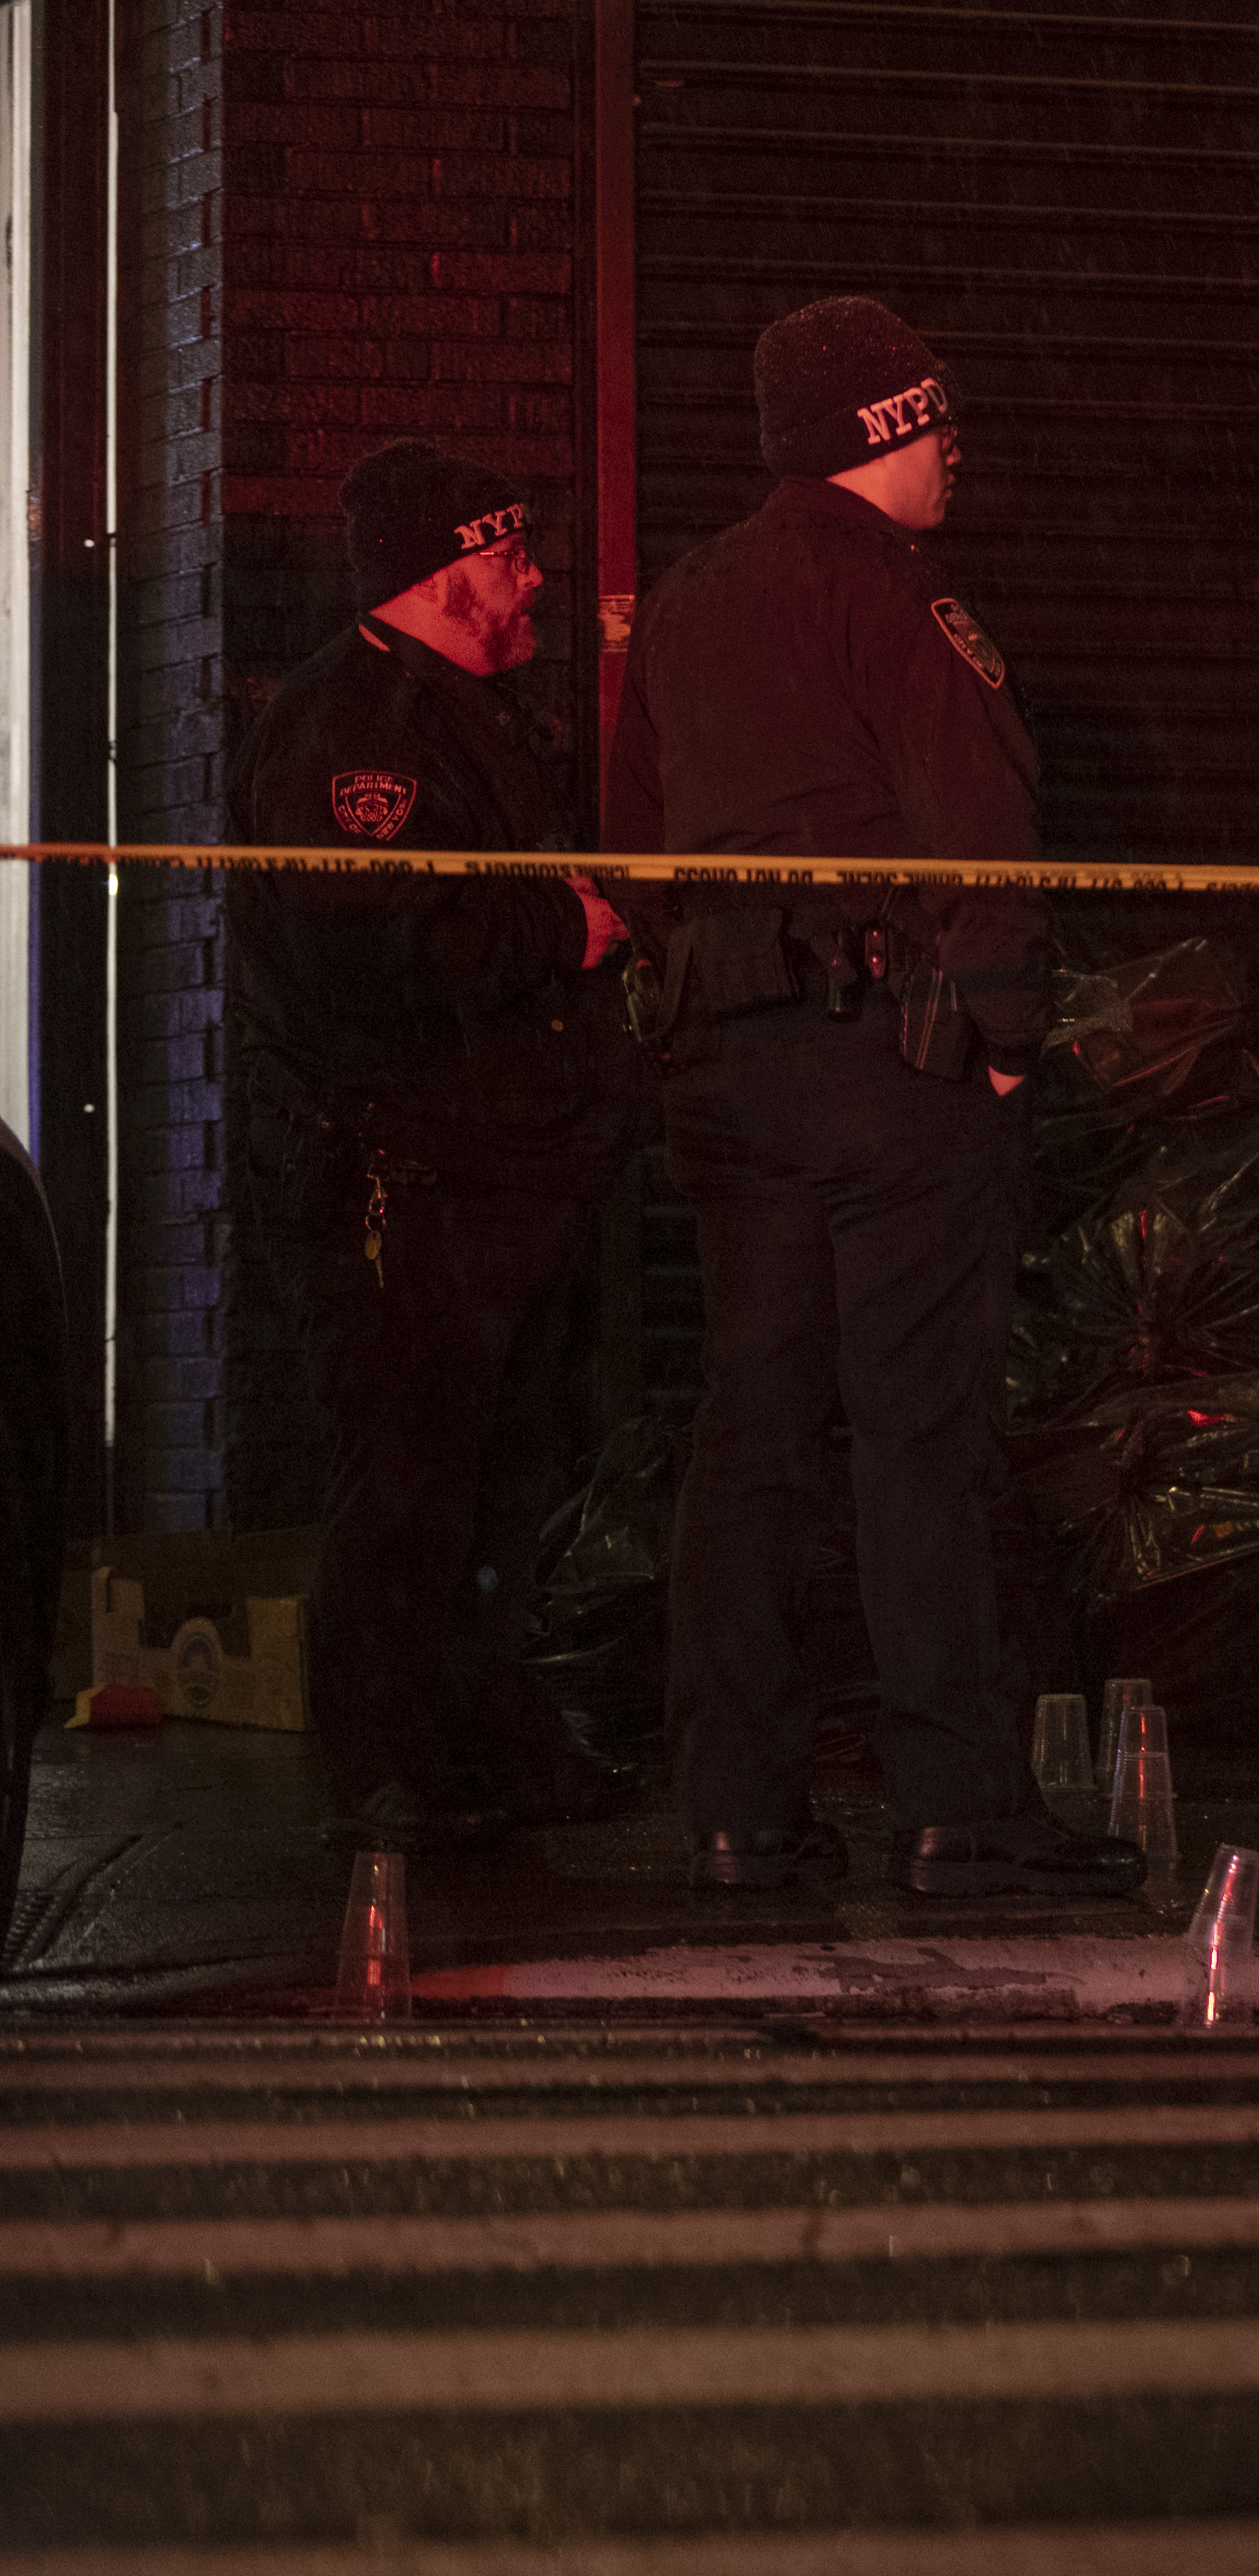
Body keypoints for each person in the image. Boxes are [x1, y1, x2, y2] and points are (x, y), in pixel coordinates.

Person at [602, 296, 1136, 1898]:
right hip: (892, 1070)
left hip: (728, 1070)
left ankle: (736, 1808)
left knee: (748, 1433)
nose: (956, 447)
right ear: (882, 433)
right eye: (934, 418)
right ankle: (957, 1806)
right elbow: (984, 829)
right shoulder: (900, 599)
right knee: (919, 1436)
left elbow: (633, 831)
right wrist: (1005, 1041)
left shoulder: (685, 605)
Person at [226, 440, 647, 1850]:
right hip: (409, 1182)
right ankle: (385, 1762)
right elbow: (362, 944)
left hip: (506, 1169)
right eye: (509, 552)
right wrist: (561, 928)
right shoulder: (357, 728)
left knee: (505, 1470)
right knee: (414, 1474)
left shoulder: (474, 717)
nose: (534, 577)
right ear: (444, 570)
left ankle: (476, 1733)